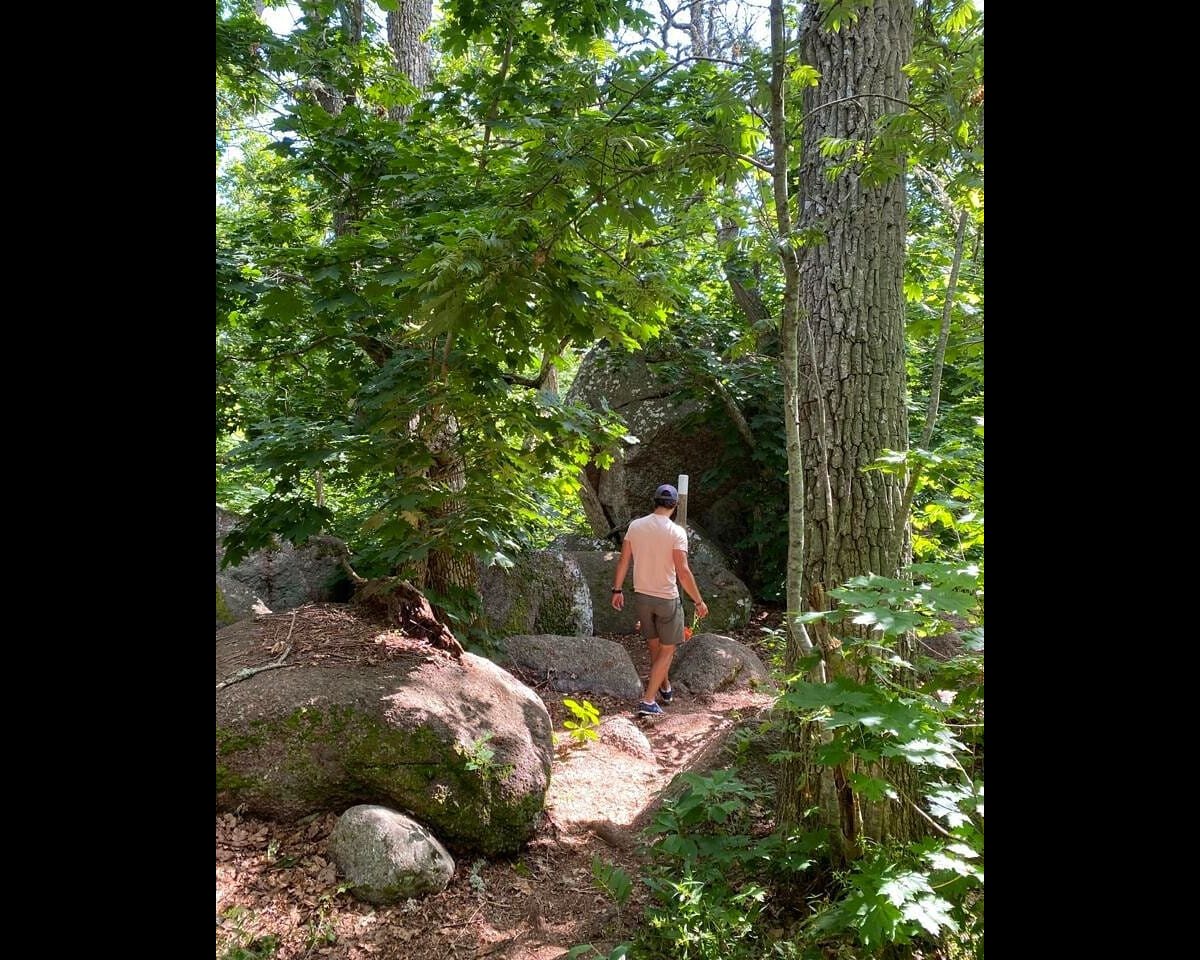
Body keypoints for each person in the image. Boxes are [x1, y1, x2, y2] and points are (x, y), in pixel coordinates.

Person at [611, 483, 709, 716]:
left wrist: (617, 590)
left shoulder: (636, 526)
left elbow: (624, 560)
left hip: (642, 596)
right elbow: (683, 571)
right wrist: (698, 601)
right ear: (674, 506)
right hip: (667, 598)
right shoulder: (676, 532)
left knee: (655, 647)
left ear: (654, 502)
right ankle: (648, 701)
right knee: (668, 650)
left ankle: (664, 686)